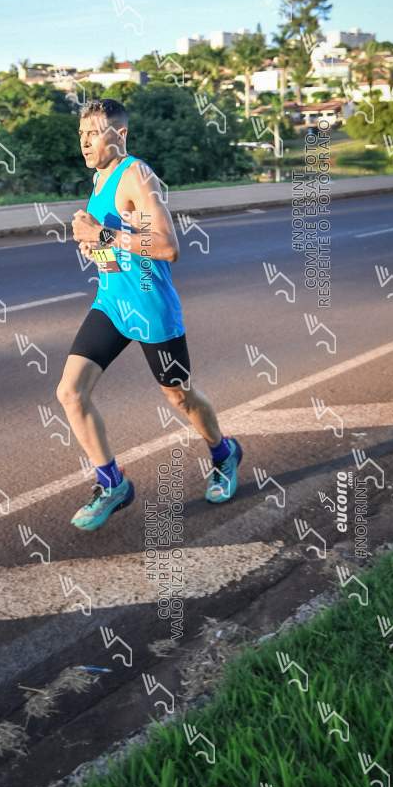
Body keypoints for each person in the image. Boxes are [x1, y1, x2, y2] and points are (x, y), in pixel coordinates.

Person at [56, 97, 243, 532]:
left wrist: (102, 234)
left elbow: (167, 247)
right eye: (81, 135)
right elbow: (117, 249)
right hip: (111, 304)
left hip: (151, 308)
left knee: (179, 397)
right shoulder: (100, 177)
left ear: (119, 135)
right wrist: (94, 248)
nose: (85, 143)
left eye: (93, 134)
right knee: (70, 393)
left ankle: (223, 453)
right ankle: (112, 483)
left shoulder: (138, 175)